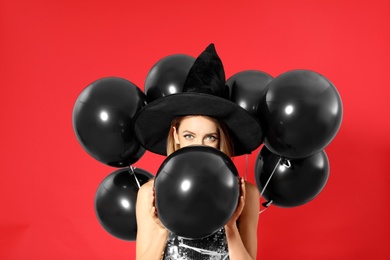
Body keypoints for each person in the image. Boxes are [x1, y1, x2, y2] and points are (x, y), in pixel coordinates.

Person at [133, 44, 263, 260]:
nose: (198, 146)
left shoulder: (245, 193)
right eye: (189, 136)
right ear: (175, 136)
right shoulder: (150, 193)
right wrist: (163, 227)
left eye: (210, 137)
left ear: (221, 139)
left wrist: (230, 226)